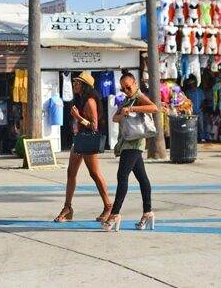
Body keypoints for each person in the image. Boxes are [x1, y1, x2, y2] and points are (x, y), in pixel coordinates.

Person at [102, 70, 159, 232]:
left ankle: (115, 214)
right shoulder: (127, 99)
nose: (126, 91)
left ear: (135, 84)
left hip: (134, 143)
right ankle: (148, 212)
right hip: (127, 142)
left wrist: (132, 110)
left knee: (122, 176)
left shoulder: (139, 97)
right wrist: (124, 111)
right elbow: (115, 118)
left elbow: (154, 108)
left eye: (128, 87)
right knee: (142, 178)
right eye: (123, 89)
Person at [53, 71, 112, 223]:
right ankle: (67, 208)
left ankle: (108, 206)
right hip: (79, 140)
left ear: (85, 86)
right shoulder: (79, 100)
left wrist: (78, 117)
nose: (75, 85)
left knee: (94, 173)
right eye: (74, 83)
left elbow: (94, 126)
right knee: (71, 172)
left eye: (78, 83)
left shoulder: (90, 101)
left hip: (88, 141)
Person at [183, 77, 206, 142]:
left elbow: (203, 100)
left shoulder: (199, 91)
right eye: (190, 85)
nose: (191, 86)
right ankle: (193, 137)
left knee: (200, 124)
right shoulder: (187, 92)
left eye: (192, 84)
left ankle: (202, 137)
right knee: (191, 125)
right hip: (191, 111)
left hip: (199, 110)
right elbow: (187, 101)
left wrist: (201, 108)